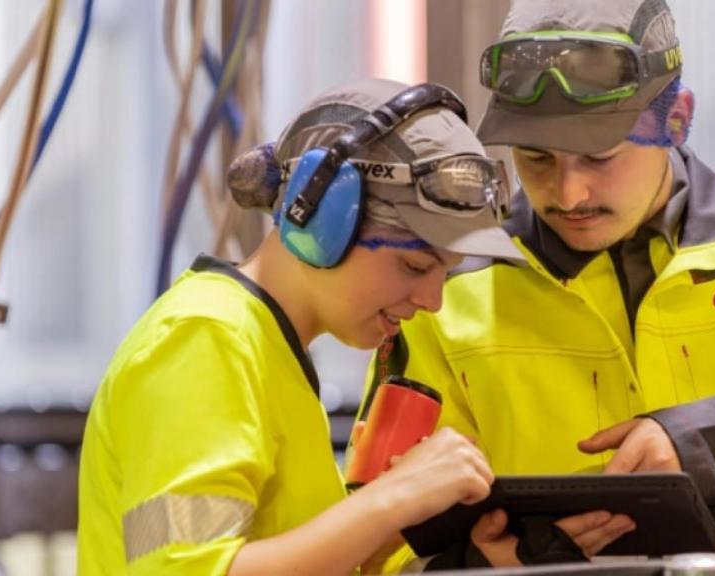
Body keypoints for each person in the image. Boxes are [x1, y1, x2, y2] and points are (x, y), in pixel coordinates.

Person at [357, 0, 715, 564]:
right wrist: (473, 565)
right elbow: (368, 534)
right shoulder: (444, 289)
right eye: (535, 157)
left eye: (600, 156)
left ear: (677, 121)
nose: (568, 194)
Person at [77, 78, 624, 575]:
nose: (433, 300)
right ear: (317, 221)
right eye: (414, 265)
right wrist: (394, 499)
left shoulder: (272, 352)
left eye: (445, 273)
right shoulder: (204, 337)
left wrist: (476, 557)